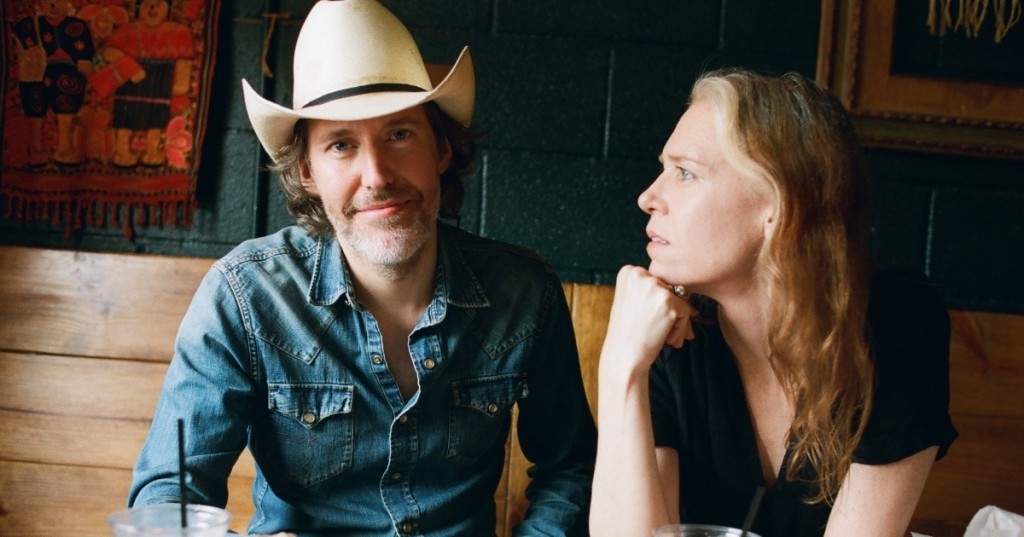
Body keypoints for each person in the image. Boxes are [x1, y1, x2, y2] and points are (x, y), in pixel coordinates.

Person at [127, 1, 596, 535]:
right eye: (342, 145)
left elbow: (569, 469)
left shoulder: (524, 293)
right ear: (307, 171)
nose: (376, 175)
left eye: (399, 134)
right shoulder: (245, 296)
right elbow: (167, 502)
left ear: (442, 148)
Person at [589, 68, 957, 537]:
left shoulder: (898, 323)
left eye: (685, 172)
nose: (648, 197)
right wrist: (622, 366)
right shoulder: (670, 338)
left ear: (779, 206)